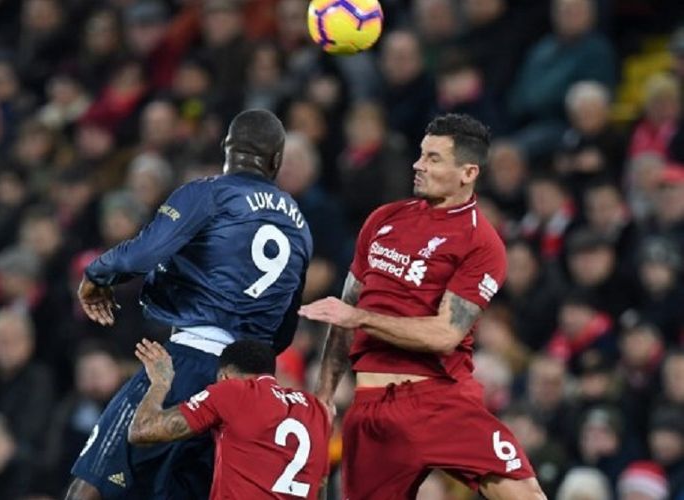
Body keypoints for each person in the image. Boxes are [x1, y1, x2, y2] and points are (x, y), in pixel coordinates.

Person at [66, 109, 313, 500]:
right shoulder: (301, 226)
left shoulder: (210, 193)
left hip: (186, 360)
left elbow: (141, 255)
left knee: (95, 480)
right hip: (244, 387)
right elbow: (284, 328)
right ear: (276, 161)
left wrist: (97, 274)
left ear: (227, 150)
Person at [300, 113, 546, 499]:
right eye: (420, 155)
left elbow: (445, 334)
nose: (418, 165)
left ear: (468, 172)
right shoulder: (382, 220)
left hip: (437, 401)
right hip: (370, 410)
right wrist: (324, 396)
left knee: (524, 494)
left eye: (433, 158)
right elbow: (343, 314)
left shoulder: (482, 243)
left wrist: (360, 317)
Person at [128, 338, 331, 499]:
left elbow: (142, 430)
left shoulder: (234, 392)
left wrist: (160, 383)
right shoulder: (315, 409)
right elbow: (320, 485)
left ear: (224, 376)